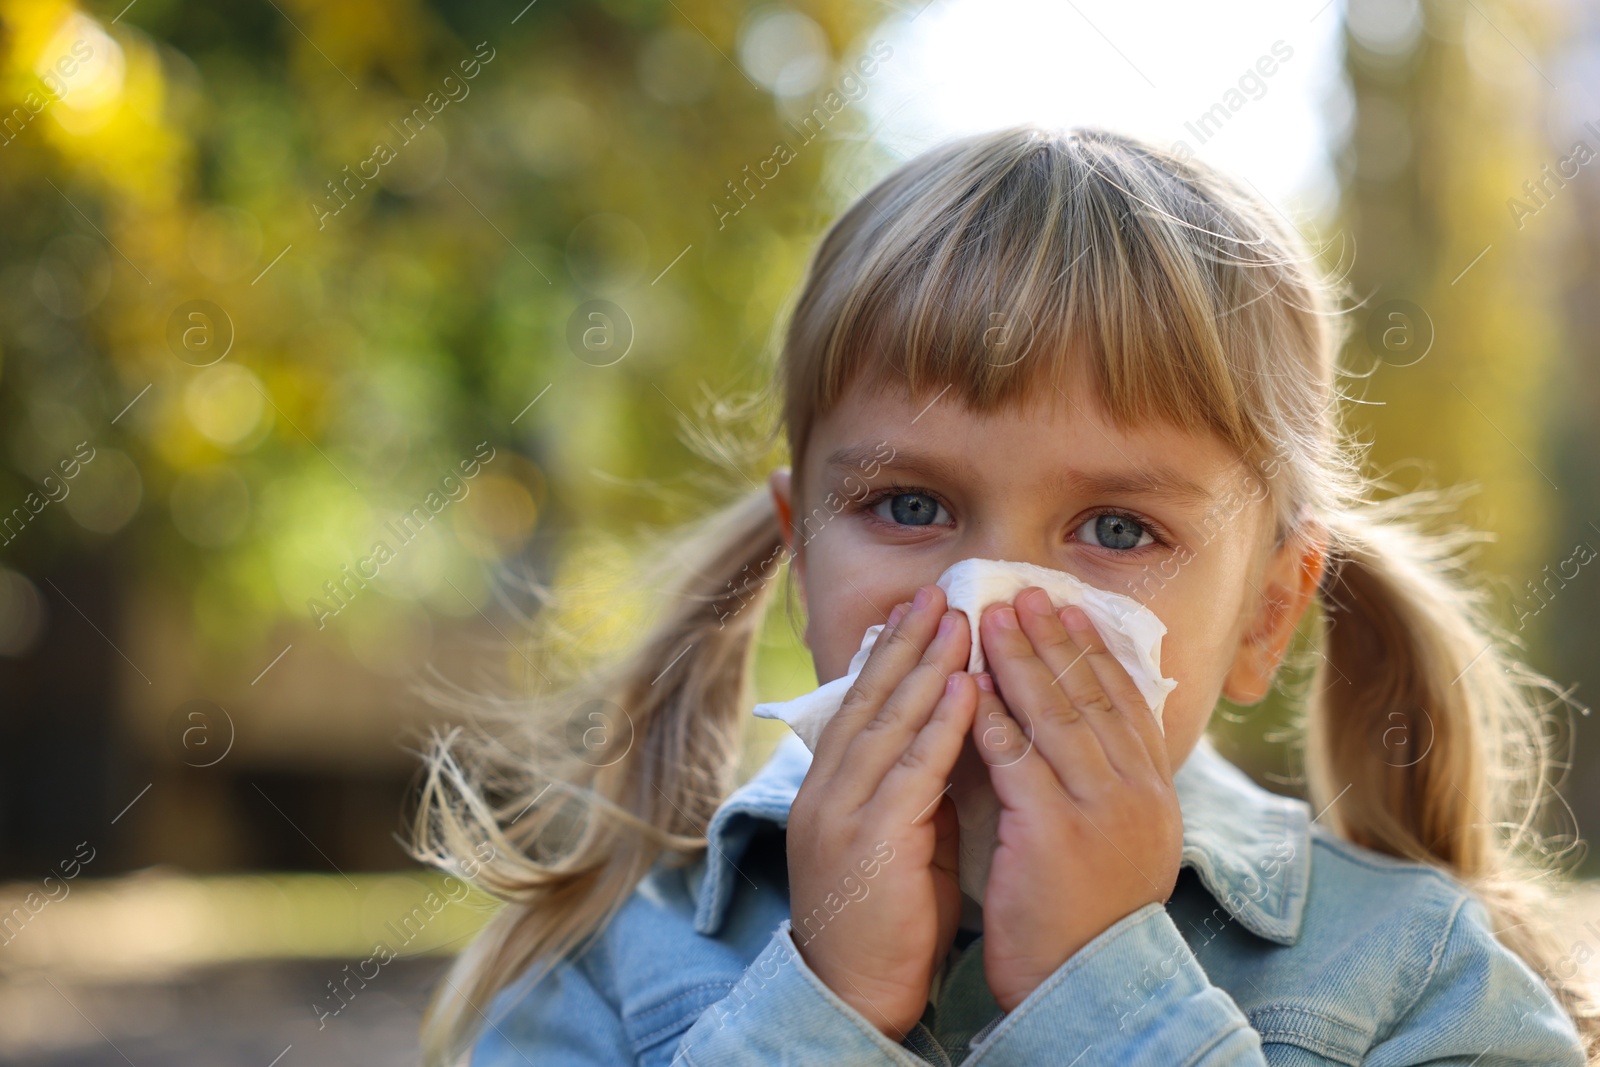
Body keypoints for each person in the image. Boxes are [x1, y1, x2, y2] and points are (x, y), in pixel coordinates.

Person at [409, 124, 1599, 1065]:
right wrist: (826, 1009)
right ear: (802, 555)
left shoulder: (1417, 978)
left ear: (1265, 616)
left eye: (1118, 528)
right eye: (910, 506)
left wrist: (1105, 993)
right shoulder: (616, 967)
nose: (986, 601)